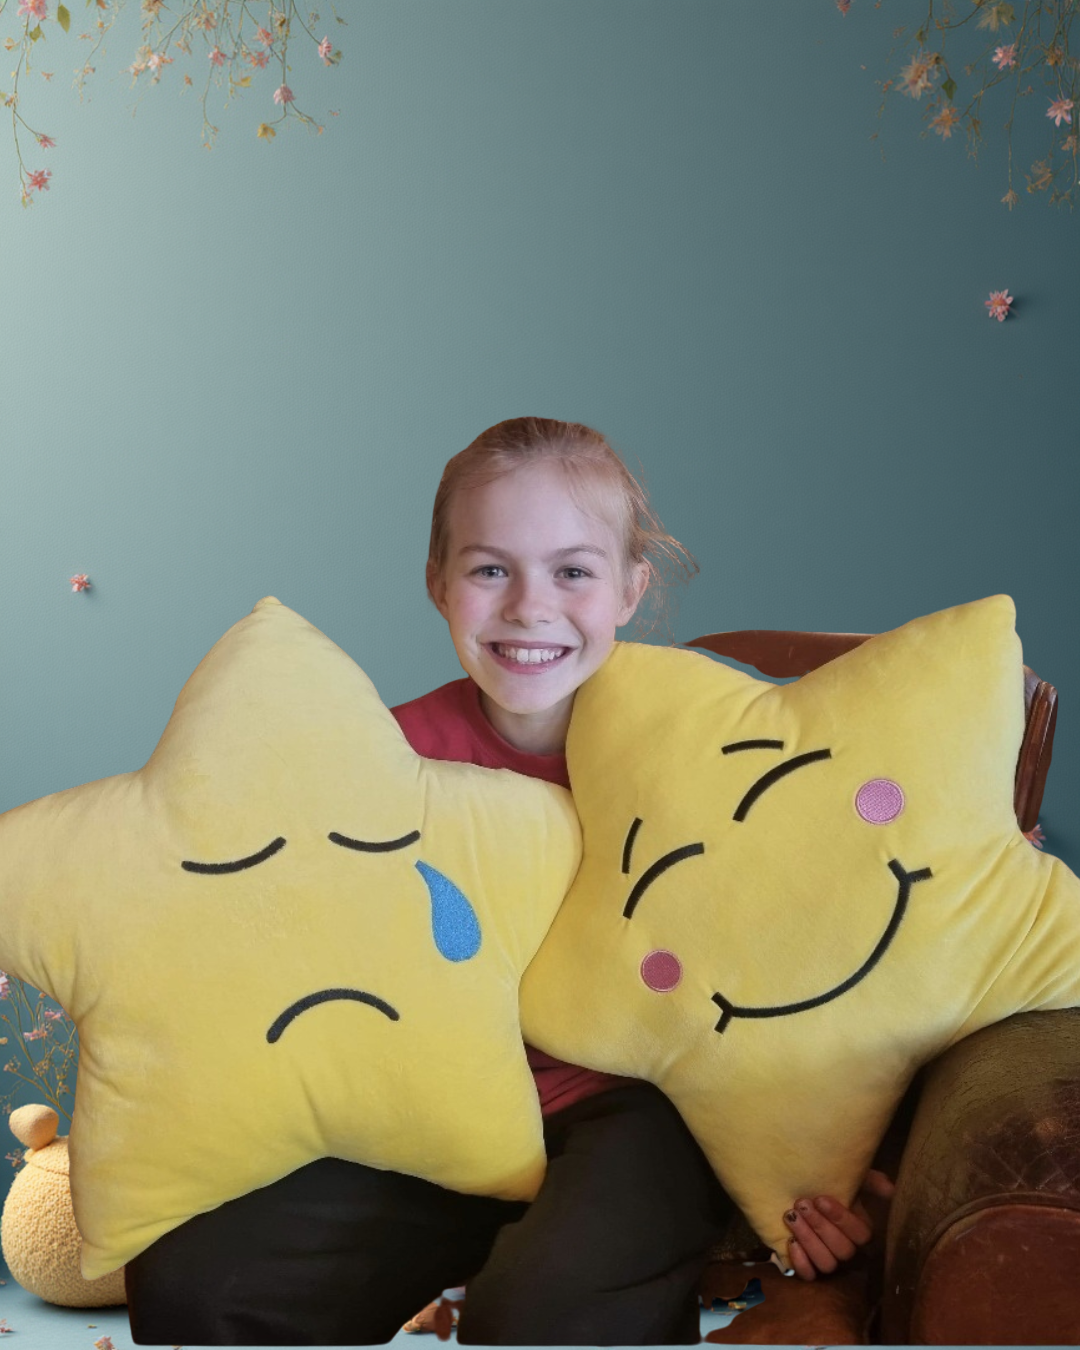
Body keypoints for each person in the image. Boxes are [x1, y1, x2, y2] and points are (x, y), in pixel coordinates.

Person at [125, 417, 887, 1346]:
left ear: (630, 589)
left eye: (573, 571)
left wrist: (835, 1150)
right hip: (435, 1107)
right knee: (194, 1281)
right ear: (438, 584)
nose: (530, 607)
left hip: (637, 1108)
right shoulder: (383, 760)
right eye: (491, 570)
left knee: (541, 1316)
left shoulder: (705, 749)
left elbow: (819, 952)